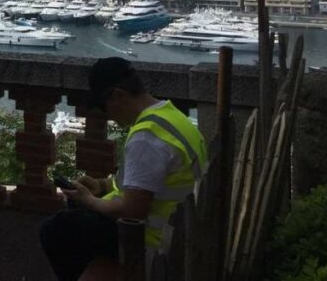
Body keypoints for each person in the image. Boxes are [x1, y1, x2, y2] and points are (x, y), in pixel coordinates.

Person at [39, 57, 208, 281]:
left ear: (119, 95)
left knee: (55, 229)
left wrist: (89, 200)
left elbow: (132, 211)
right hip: (182, 230)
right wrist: (102, 185)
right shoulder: (172, 117)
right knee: (72, 221)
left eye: (103, 106)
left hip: (152, 241)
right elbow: (155, 183)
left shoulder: (146, 137)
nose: (106, 114)